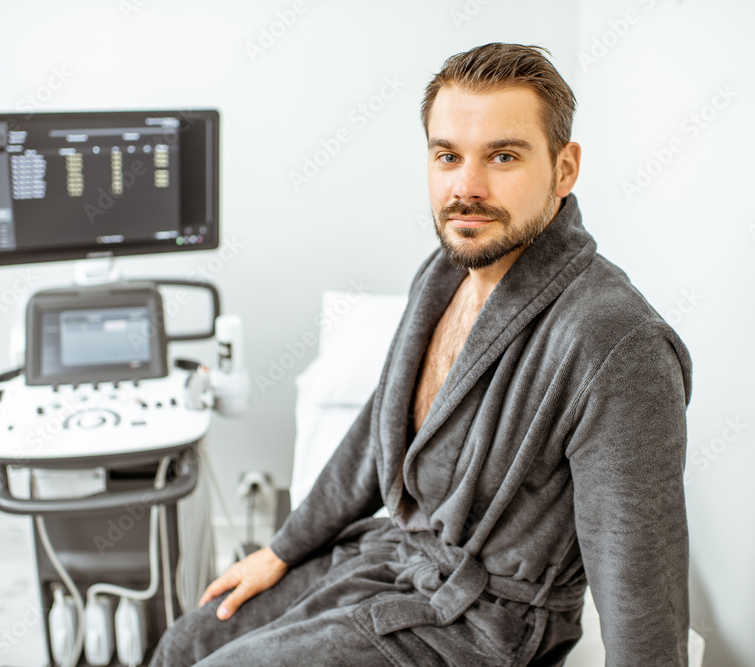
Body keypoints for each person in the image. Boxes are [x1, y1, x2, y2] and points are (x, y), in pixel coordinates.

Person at [151, 42, 693, 666]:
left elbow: (638, 573)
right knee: (190, 638)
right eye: (448, 156)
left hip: (484, 625)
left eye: (504, 156)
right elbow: (379, 432)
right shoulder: (443, 274)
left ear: (564, 168)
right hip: (398, 558)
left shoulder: (615, 343)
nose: (467, 187)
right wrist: (282, 549)